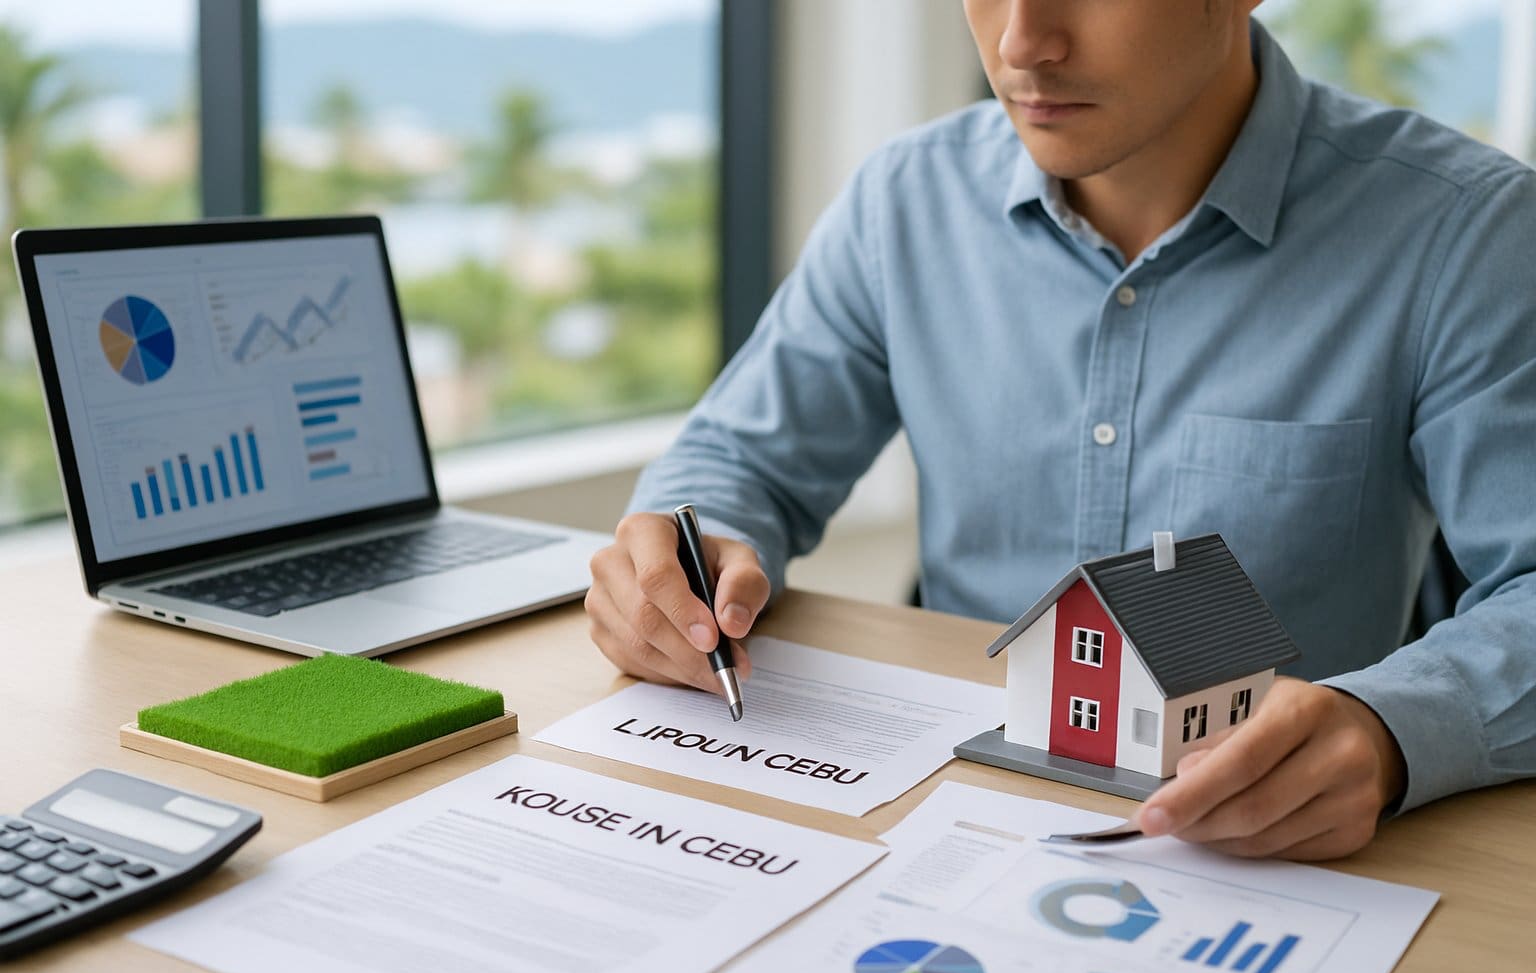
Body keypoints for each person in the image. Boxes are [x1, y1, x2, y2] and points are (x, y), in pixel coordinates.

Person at [585, 0, 1536, 860]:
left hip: (1277, 860)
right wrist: (684, 561)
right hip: (942, 827)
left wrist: (1389, 729)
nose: (1021, 44)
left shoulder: (1466, 234)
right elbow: (740, 456)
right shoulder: (904, 202)